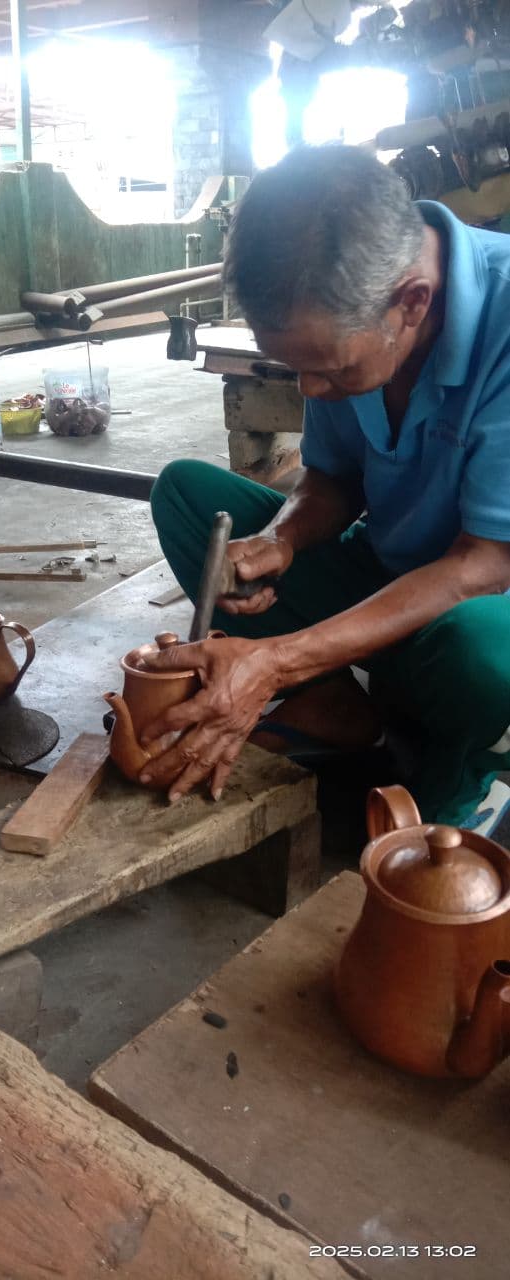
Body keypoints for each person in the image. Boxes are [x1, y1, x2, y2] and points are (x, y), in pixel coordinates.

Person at [139, 144, 510, 835]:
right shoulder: (349, 318)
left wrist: (273, 662)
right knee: (185, 495)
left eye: (330, 371)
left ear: (411, 303)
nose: (310, 390)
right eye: (293, 368)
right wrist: (282, 537)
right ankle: (342, 707)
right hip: (388, 579)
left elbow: (483, 564)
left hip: (480, 602)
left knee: (485, 653)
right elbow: (333, 478)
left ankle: (466, 768)